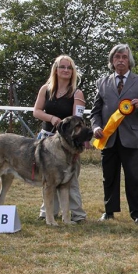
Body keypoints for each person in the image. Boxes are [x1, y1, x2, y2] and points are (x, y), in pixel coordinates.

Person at [90, 44, 138, 224]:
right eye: (117, 57)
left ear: (129, 61)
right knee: (109, 177)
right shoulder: (101, 83)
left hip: (132, 139)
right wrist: (96, 127)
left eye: (124, 57)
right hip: (108, 138)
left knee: (135, 177)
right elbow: (95, 112)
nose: (120, 60)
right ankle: (109, 211)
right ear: (112, 60)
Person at [33, 54, 87, 222]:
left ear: (73, 72)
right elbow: (36, 111)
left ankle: (77, 215)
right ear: (55, 70)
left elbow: (77, 120)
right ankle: (48, 213)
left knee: (70, 179)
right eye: (62, 67)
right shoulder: (46, 89)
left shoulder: (77, 93)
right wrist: (51, 118)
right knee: (49, 179)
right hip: (47, 141)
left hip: (68, 144)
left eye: (69, 67)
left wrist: (78, 145)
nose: (66, 70)